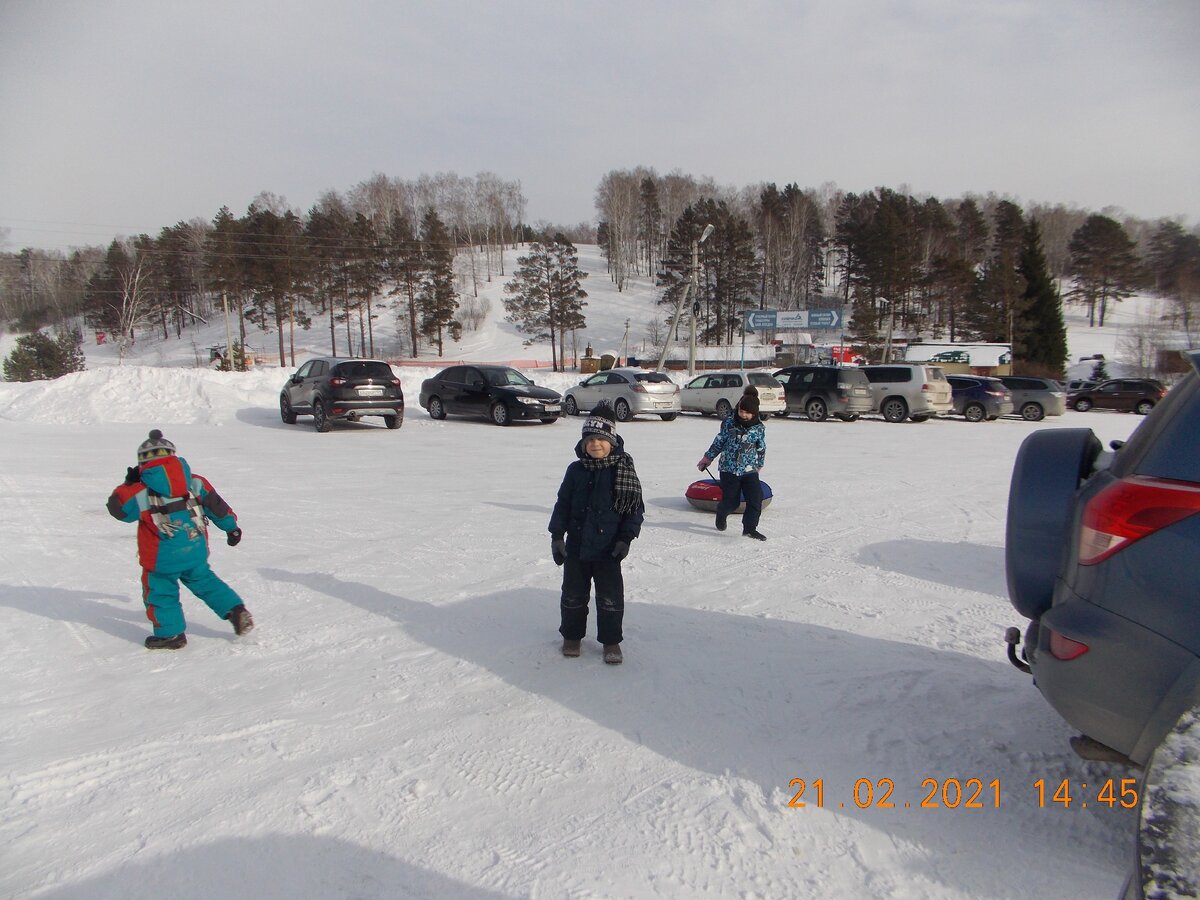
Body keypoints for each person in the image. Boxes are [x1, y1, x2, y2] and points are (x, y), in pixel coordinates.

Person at [107, 429, 253, 649]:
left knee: (160, 593)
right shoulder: (195, 482)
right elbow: (217, 507)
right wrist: (231, 528)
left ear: (143, 463)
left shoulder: (141, 491)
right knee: (206, 582)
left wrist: (128, 484)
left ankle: (171, 634)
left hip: (161, 559)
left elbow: (118, 510)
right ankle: (235, 610)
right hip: (194, 549)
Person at [548, 402, 644, 664]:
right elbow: (563, 504)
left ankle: (611, 642)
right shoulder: (575, 470)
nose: (595, 444)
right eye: (590, 439)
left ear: (612, 441)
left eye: (601, 439)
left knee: (610, 598)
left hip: (608, 549)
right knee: (572, 595)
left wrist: (625, 539)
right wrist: (557, 536)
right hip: (577, 547)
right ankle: (572, 636)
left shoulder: (623, 470)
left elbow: (634, 510)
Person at [697, 386, 768, 540]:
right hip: (729, 469)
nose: (743, 414)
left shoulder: (759, 428)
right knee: (732, 502)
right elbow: (719, 442)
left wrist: (759, 464)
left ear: (754, 413)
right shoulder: (730, 423)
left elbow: (761, 447)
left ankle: (749, 529)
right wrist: (707, 458)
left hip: (749, 469)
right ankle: (721, 513)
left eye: (747, 413)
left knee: (756, 499)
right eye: (741, 411)